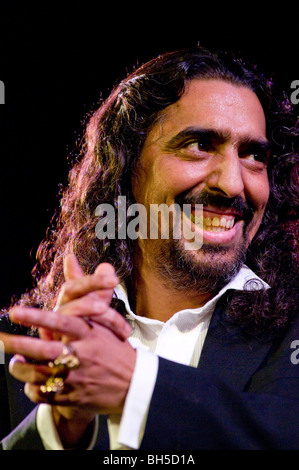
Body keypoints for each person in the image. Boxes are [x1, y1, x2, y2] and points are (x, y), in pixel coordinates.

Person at [0, 47, 298, 450]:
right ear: (127, 167)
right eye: (199, 145)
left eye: (253, 155)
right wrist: (62, 428)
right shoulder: (28, 345)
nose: (232, 184)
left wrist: (134, 383)